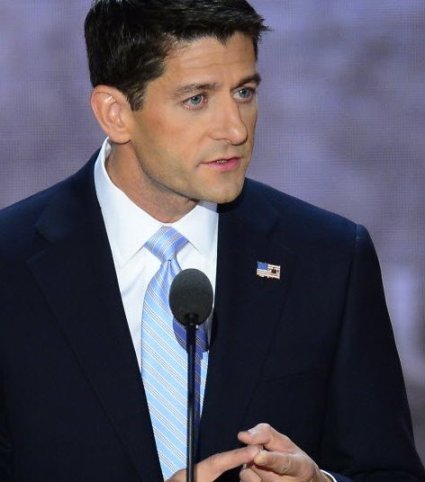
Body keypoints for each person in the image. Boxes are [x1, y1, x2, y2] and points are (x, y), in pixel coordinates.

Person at [0, 0, 424, 481]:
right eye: (197, 99)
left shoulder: (328, 258)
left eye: (244, 92)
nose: (236, 128)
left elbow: (389, 470)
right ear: (115, 113)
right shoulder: (9, 266)